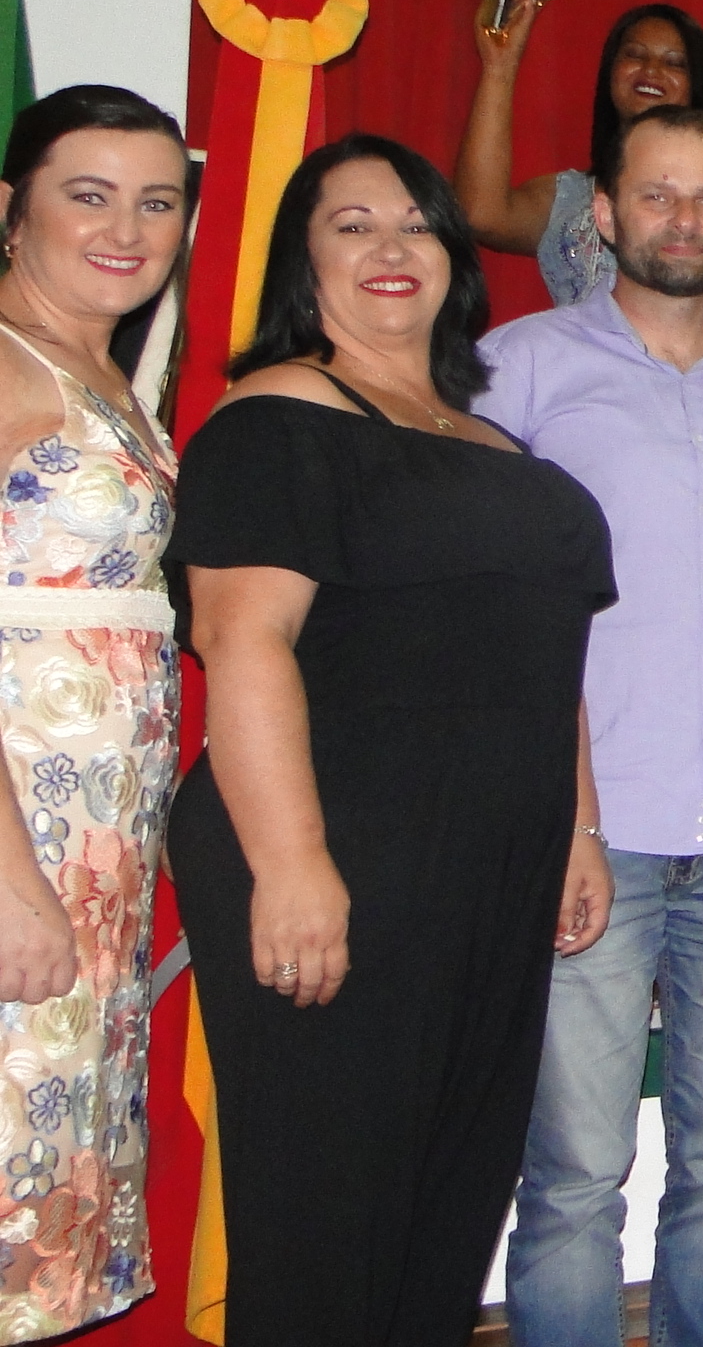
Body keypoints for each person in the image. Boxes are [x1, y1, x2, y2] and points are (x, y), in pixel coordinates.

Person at [170, 134, 615, 1342]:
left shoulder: (488, 438)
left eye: (416, 222)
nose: (391, 246)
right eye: (353, 224)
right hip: (344, 855)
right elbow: (242, 641)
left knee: (448, 1209)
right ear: (303, 261)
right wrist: (291, 867)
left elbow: (546, 654)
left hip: (490, 867)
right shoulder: (276, 417)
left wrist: (578, 828)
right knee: (330, 1226)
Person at [488, 105, 703, 1347]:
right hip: (594, 828)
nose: (685, 220)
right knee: (575, 1174)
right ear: (607, 215)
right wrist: (558, 815)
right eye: (658, 196)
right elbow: (491, 611)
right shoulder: (517, 368)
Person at [0, 87, 188, 1334]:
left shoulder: (101, 369)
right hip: (26, 839)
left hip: (94, 857)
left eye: (157, 201)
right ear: (10, 210)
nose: (127, 229)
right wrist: (9, 878)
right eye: (90, 195)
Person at [453, 0, 703, 345]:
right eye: (635, 55)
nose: (652, 70)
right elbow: (480, 215)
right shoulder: (570, 196)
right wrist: (499, 66)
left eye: (675, 63)